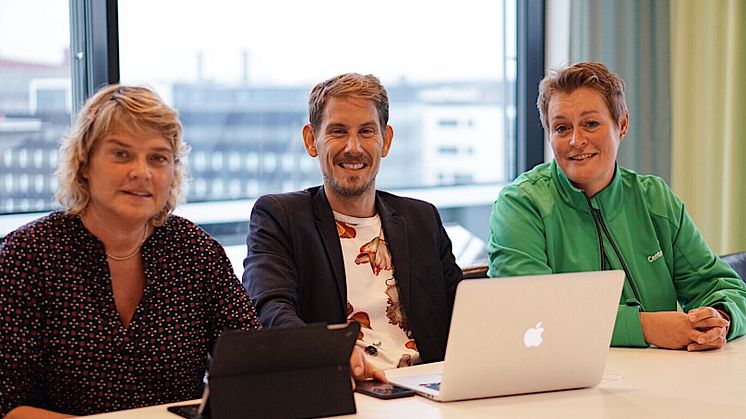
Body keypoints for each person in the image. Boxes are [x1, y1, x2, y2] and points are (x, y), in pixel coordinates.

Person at [0, 85, 260, 418]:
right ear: (84, 164)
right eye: (121, 154)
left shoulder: (196, 251)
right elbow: (10, 405)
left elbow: (253, 366)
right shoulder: (28, 257)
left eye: (158, 158)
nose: (142, 172)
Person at [487, 61, 746, 351]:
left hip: (661, 381)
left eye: (591, 124)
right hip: (564, 386)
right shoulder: (520, 205)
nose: (576, 140)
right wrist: (647, 328)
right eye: (562, 128)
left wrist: (719, 318)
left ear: (621, 125)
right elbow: (529, 312)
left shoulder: (655, 199)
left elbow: (724, 287)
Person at [243, 73, 463, 375]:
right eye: (337, 131)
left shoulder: (422, 219)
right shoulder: (280, 217)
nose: (353, 147)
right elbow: (269, 310)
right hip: (343, 387)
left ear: (385, 141)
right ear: (311, 140)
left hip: (427, 387)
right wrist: (328, 353)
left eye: (366, 131)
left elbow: (464, 312)